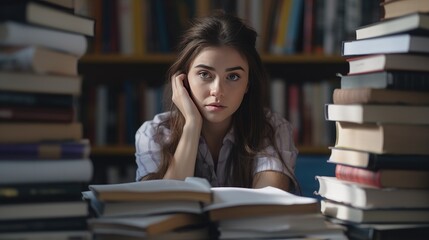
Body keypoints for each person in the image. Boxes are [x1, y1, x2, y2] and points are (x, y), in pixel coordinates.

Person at [135, 11, 299, 192]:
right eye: (205, 74)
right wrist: (192, 125)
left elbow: (268, 206)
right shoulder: (153, 134)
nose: (217, 91)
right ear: (183, 80)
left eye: (233, 76)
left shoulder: (271, 128)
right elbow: (162, 207)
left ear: (248, 84)